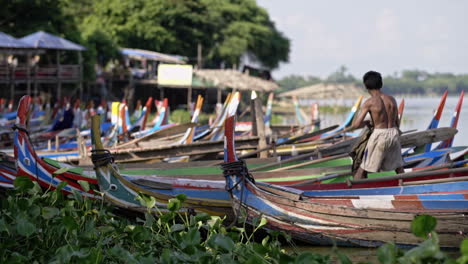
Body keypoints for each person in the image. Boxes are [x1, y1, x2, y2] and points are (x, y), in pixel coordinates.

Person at [352, 71, 404, 179]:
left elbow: (356, 125)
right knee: (399, 168)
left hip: (379, 134)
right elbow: (397, 122)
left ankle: (355, 191)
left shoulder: (369, 102)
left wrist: (367, 122)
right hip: (394, 133)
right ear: (381, 84)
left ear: (366, 86)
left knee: (363, 167)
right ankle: (406, 186)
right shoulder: (392, 100)